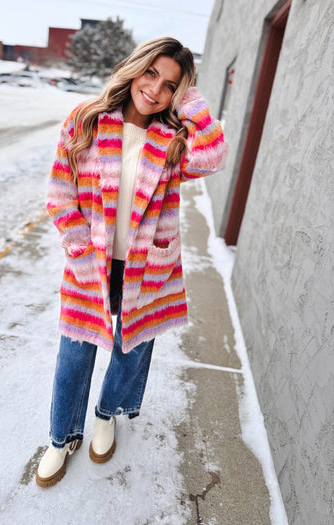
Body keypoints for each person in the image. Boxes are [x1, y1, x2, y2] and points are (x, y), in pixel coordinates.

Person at [36, 37, 228, 488]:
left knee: (132, 348)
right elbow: (60, 196)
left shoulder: (172, 141)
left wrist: (193, 104)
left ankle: (107, 414)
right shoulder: (85, 122)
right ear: (134, 69)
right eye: (151, 74)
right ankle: (61, 436)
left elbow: (214, 155)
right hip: (90, 264)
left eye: (170, 85)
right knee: (73, 354)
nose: (156, 90)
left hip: (149, 265)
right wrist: (80, 247)